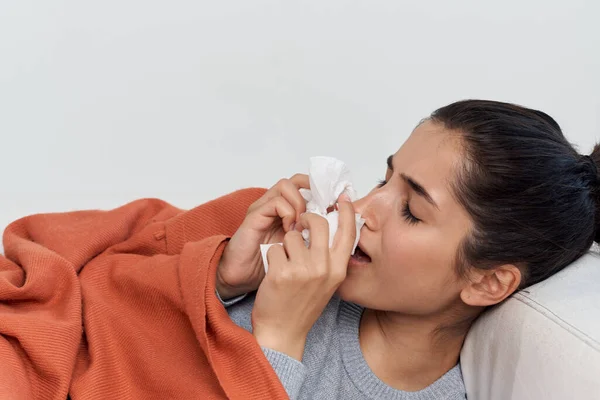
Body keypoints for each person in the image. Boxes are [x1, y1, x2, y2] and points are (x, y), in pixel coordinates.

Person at [215, 99, 600, 399]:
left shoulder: (289, 314)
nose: (362, 209)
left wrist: (279, 338)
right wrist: (222, 281)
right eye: (382, 182)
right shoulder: (280, 260)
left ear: (488, 282)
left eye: (411, 212)